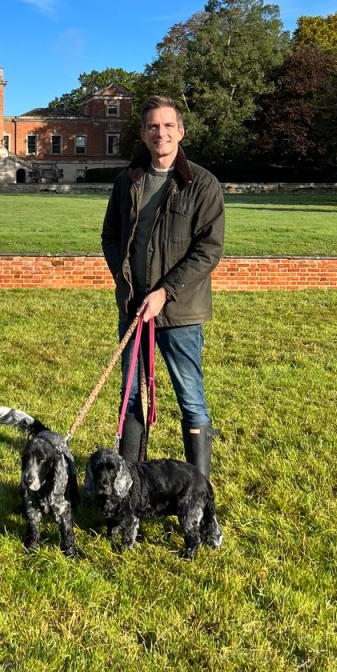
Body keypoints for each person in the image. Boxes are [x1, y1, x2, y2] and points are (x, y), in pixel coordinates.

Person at [100, 95, 225, 477]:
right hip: (134, 308)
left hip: (181, 313)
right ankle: (130, 486)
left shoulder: (201, 183)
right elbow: (110, 236)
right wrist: (128, 284)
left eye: (168, 126)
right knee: (131, 396)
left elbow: (208, 250)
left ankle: (199, 493)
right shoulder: (128, 181)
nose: (161, 133)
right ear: (143, 133)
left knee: (191, 398)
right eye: (153, 126)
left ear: (181, 132)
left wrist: (164, 292)